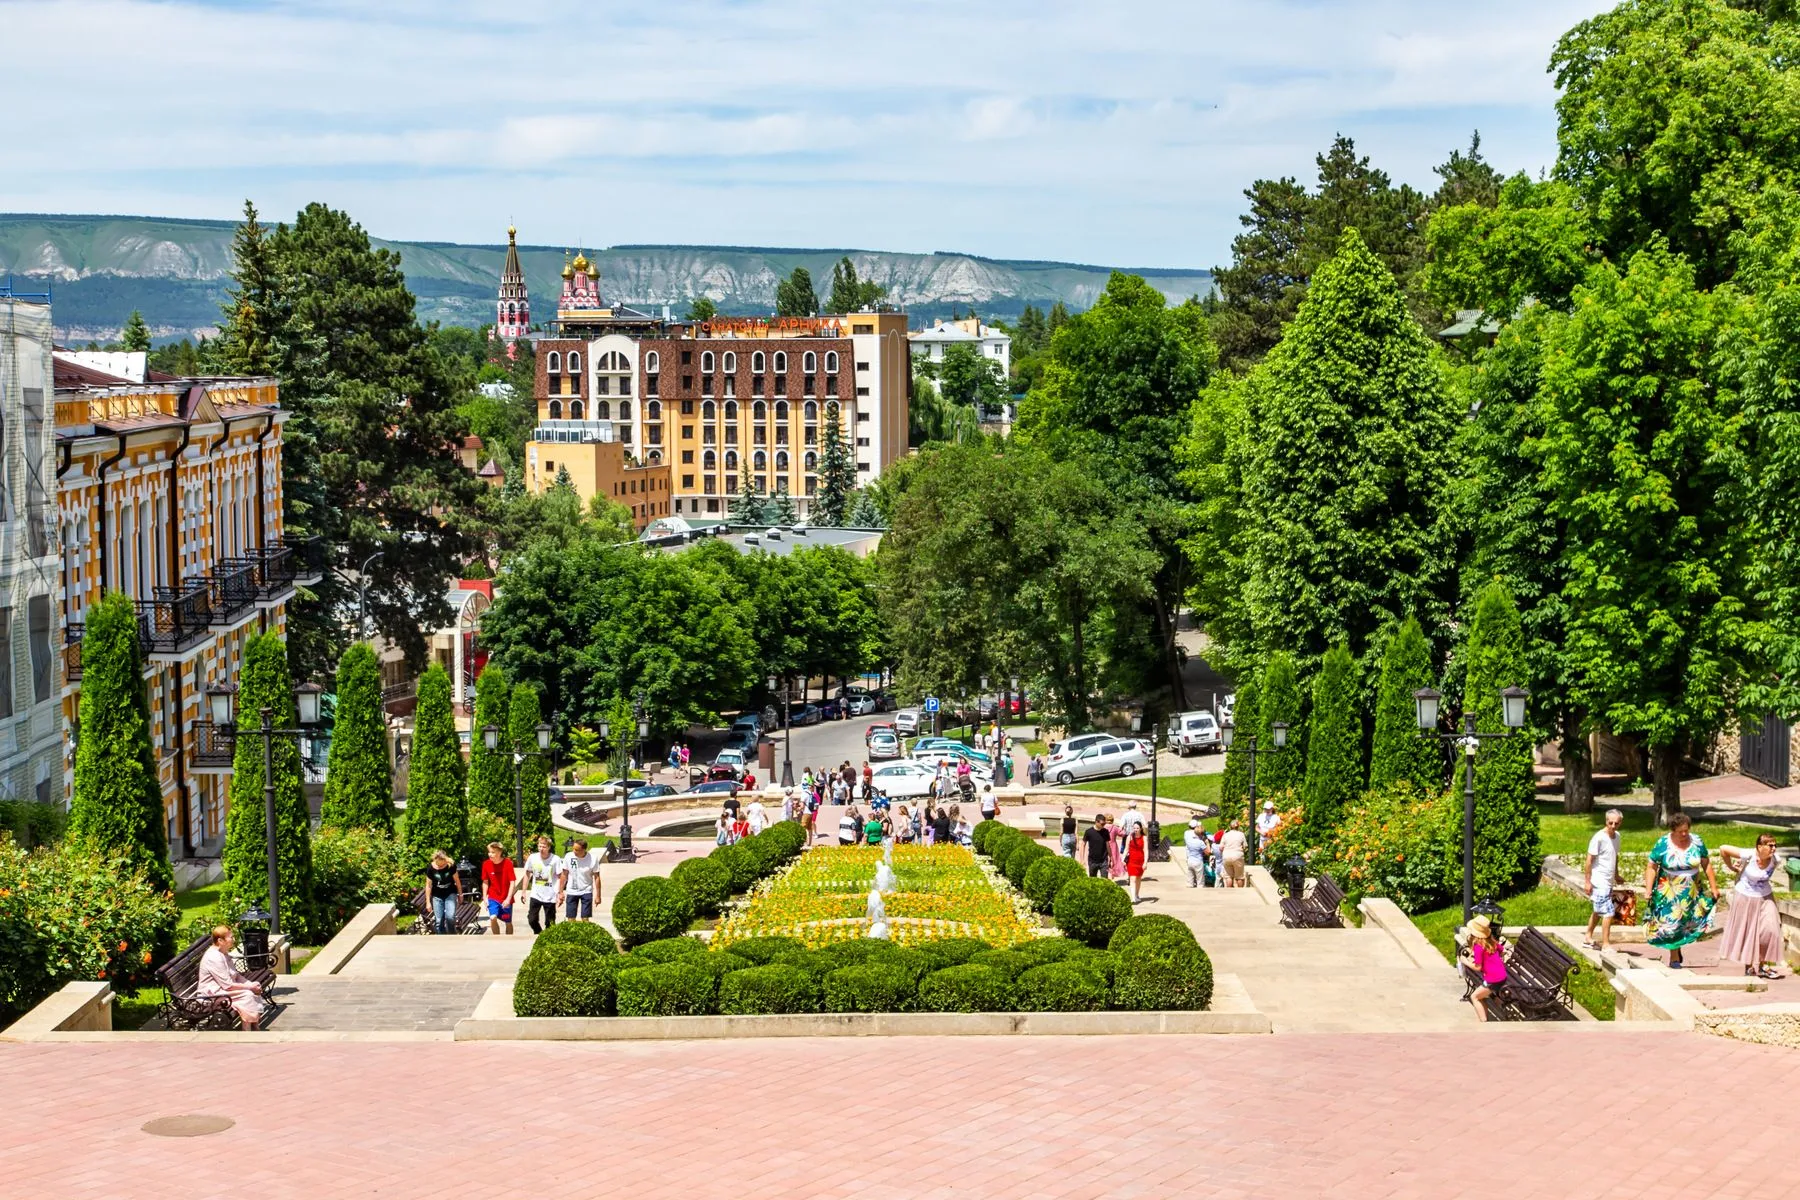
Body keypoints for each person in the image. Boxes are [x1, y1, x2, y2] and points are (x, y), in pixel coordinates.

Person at [1643, 813, 1718, 968]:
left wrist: (1714, 887)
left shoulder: (1696, 842)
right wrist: (1648, 889)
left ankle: (1677, 947)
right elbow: (1651, 867)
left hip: (1692, 890)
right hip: (1669, 890)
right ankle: (1674, 956)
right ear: (1673, 830)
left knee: (1690, 922)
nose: (1684, 834)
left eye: (1686, 831)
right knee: (1672, 924)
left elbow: (1706, 864)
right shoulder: (1663, 843)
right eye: (1680, 832)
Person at [1719, 834, 1784, 979]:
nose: (1774, 848)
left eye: (1775, 845)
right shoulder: (1748, 855)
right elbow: (1723, 849)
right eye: (1770, 845)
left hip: (1766, 897)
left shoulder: (1776, 860)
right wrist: (1731, 867)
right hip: (1745, 897)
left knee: (1770, 929)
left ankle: (1763, 965)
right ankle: (1749, 967)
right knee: (1747, 931)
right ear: (1759, 847)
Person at [196, 925, 268, 1030]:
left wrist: (250, 984)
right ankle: (247, 1030)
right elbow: (228, 985)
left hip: (223, 989)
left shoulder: (223, 953)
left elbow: (236, 975)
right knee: (247, 994)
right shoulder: (214, 957)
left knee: (253, 988)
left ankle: (254, 1026)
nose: (233, 939)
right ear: (220, 940)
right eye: (231, 937)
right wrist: (250, 988)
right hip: (212, 994)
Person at [1583, 808, 1624, 950]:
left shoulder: (1617, 837)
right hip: (1599, 881)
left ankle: (1588, 936)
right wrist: (1587, 882)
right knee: (1608, 912)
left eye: (1616, 823)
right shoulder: (1599, 838)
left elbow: (1614, 856)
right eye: (1610, 823)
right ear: (1606, 821)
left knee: (1598, 910)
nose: (1613, 826)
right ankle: (1606, 943)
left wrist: (1616, 875)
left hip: (1608, 880)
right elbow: (1589, 860)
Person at [1462, 913, 1507, 1021]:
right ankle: (1502, 1005)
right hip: (1502, 976)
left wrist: (1465, 961)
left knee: (1474, 997)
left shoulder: (1478, 947)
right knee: (1483, 995)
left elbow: (1478, 967)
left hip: (1493, 979)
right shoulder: (1492, 942)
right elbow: (1502, 950)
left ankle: (1484, 1022)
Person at [522, 835, 561, 933]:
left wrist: (559, 893)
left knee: (550, 922)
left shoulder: (555, 859)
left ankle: (548, 938)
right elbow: (527, 874)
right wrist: (524, 891)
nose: (541, 849)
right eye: (540, 846)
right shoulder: (533, 858)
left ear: (548, 847)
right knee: (532, 919)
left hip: (550, 895)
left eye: (544, 847)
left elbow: (561, 876)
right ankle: (539, 933)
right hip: (536, 894)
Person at [558, 838, 601, 921]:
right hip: (572, 891)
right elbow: (564, 874)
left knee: (585, 918)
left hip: (586, 891)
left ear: (584, 850)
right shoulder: (568, 856)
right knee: (571, 918)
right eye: (573, 848)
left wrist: (598, 896)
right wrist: (560, 892)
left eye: (577, 850)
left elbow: (597, 877)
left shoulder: (592, 859)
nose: (574, 851)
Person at [481, 842, 517, 935]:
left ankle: (509, 941)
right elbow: (485, 882)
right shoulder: (486, 864)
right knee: (493, 917)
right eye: (489, 852)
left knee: (508, 921)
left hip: (506, 898)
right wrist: (485, 897)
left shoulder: (508, 863)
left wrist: (508, 898)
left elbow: (512, 882)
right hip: (493, 896)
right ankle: (497, 939)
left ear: (499, 852)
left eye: (493, 852)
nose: (490, 854)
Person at [424, 850, 460, 934]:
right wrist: (428, 902)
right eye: (438, 865)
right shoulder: (430, 868)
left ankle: (452, 937)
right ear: (435, 860)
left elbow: (457, 880)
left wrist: (460, 894)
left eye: (443, 865)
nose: (440, 867)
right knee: (439, 921)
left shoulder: (451, 865)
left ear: (445, 860)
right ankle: (442, 940)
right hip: (437, 895)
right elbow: (428, 886)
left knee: (450, 917)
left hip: (450, 893)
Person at [1123, 822, 1148, 902]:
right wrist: (1123, 859)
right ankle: (1133, 898)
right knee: (1132, 879)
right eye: (1134, 828)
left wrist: (1145, 862)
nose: (1135, 830)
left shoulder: (1144, 838)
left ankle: (1137, 894)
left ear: (1140, 829)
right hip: (1131, 861)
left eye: (1137, 828)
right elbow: (1126, 849)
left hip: (1140, 861)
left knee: (1138, 879)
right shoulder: (1129, 837)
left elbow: (1146, 851)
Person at [1183, 817, 1211, 888]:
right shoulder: (1200, 843)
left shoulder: (1187, 837)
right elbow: (1208, 852)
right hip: (1198, 861)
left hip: (1190, 860)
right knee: (1200, 882)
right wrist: (1207, 843)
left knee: (1189, 882)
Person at [1219, 822, 1247, 888]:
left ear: (1230, 827)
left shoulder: (1225, 835)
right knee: (1239, 876)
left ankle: (1230, 893)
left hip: (1227, 855)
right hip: (1237, 855)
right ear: (1238, 827)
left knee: (1228, 876)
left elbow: (1221, 847)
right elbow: (1245, 846)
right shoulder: (1241, 834)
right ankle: (1241, 892)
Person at [1082, 814, 1112, 878]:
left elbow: (1108, 845)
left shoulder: (1105, 831)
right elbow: (1083, 845)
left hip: (1104, 861)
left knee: (1105, 881)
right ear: (1096, 822)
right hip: (1092, 861)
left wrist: (1111, 858)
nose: (1103, 825)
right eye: (1102, 824)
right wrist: (1082, 859)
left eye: (1104, 824)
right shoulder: (1089, 832)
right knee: (1093, 881)